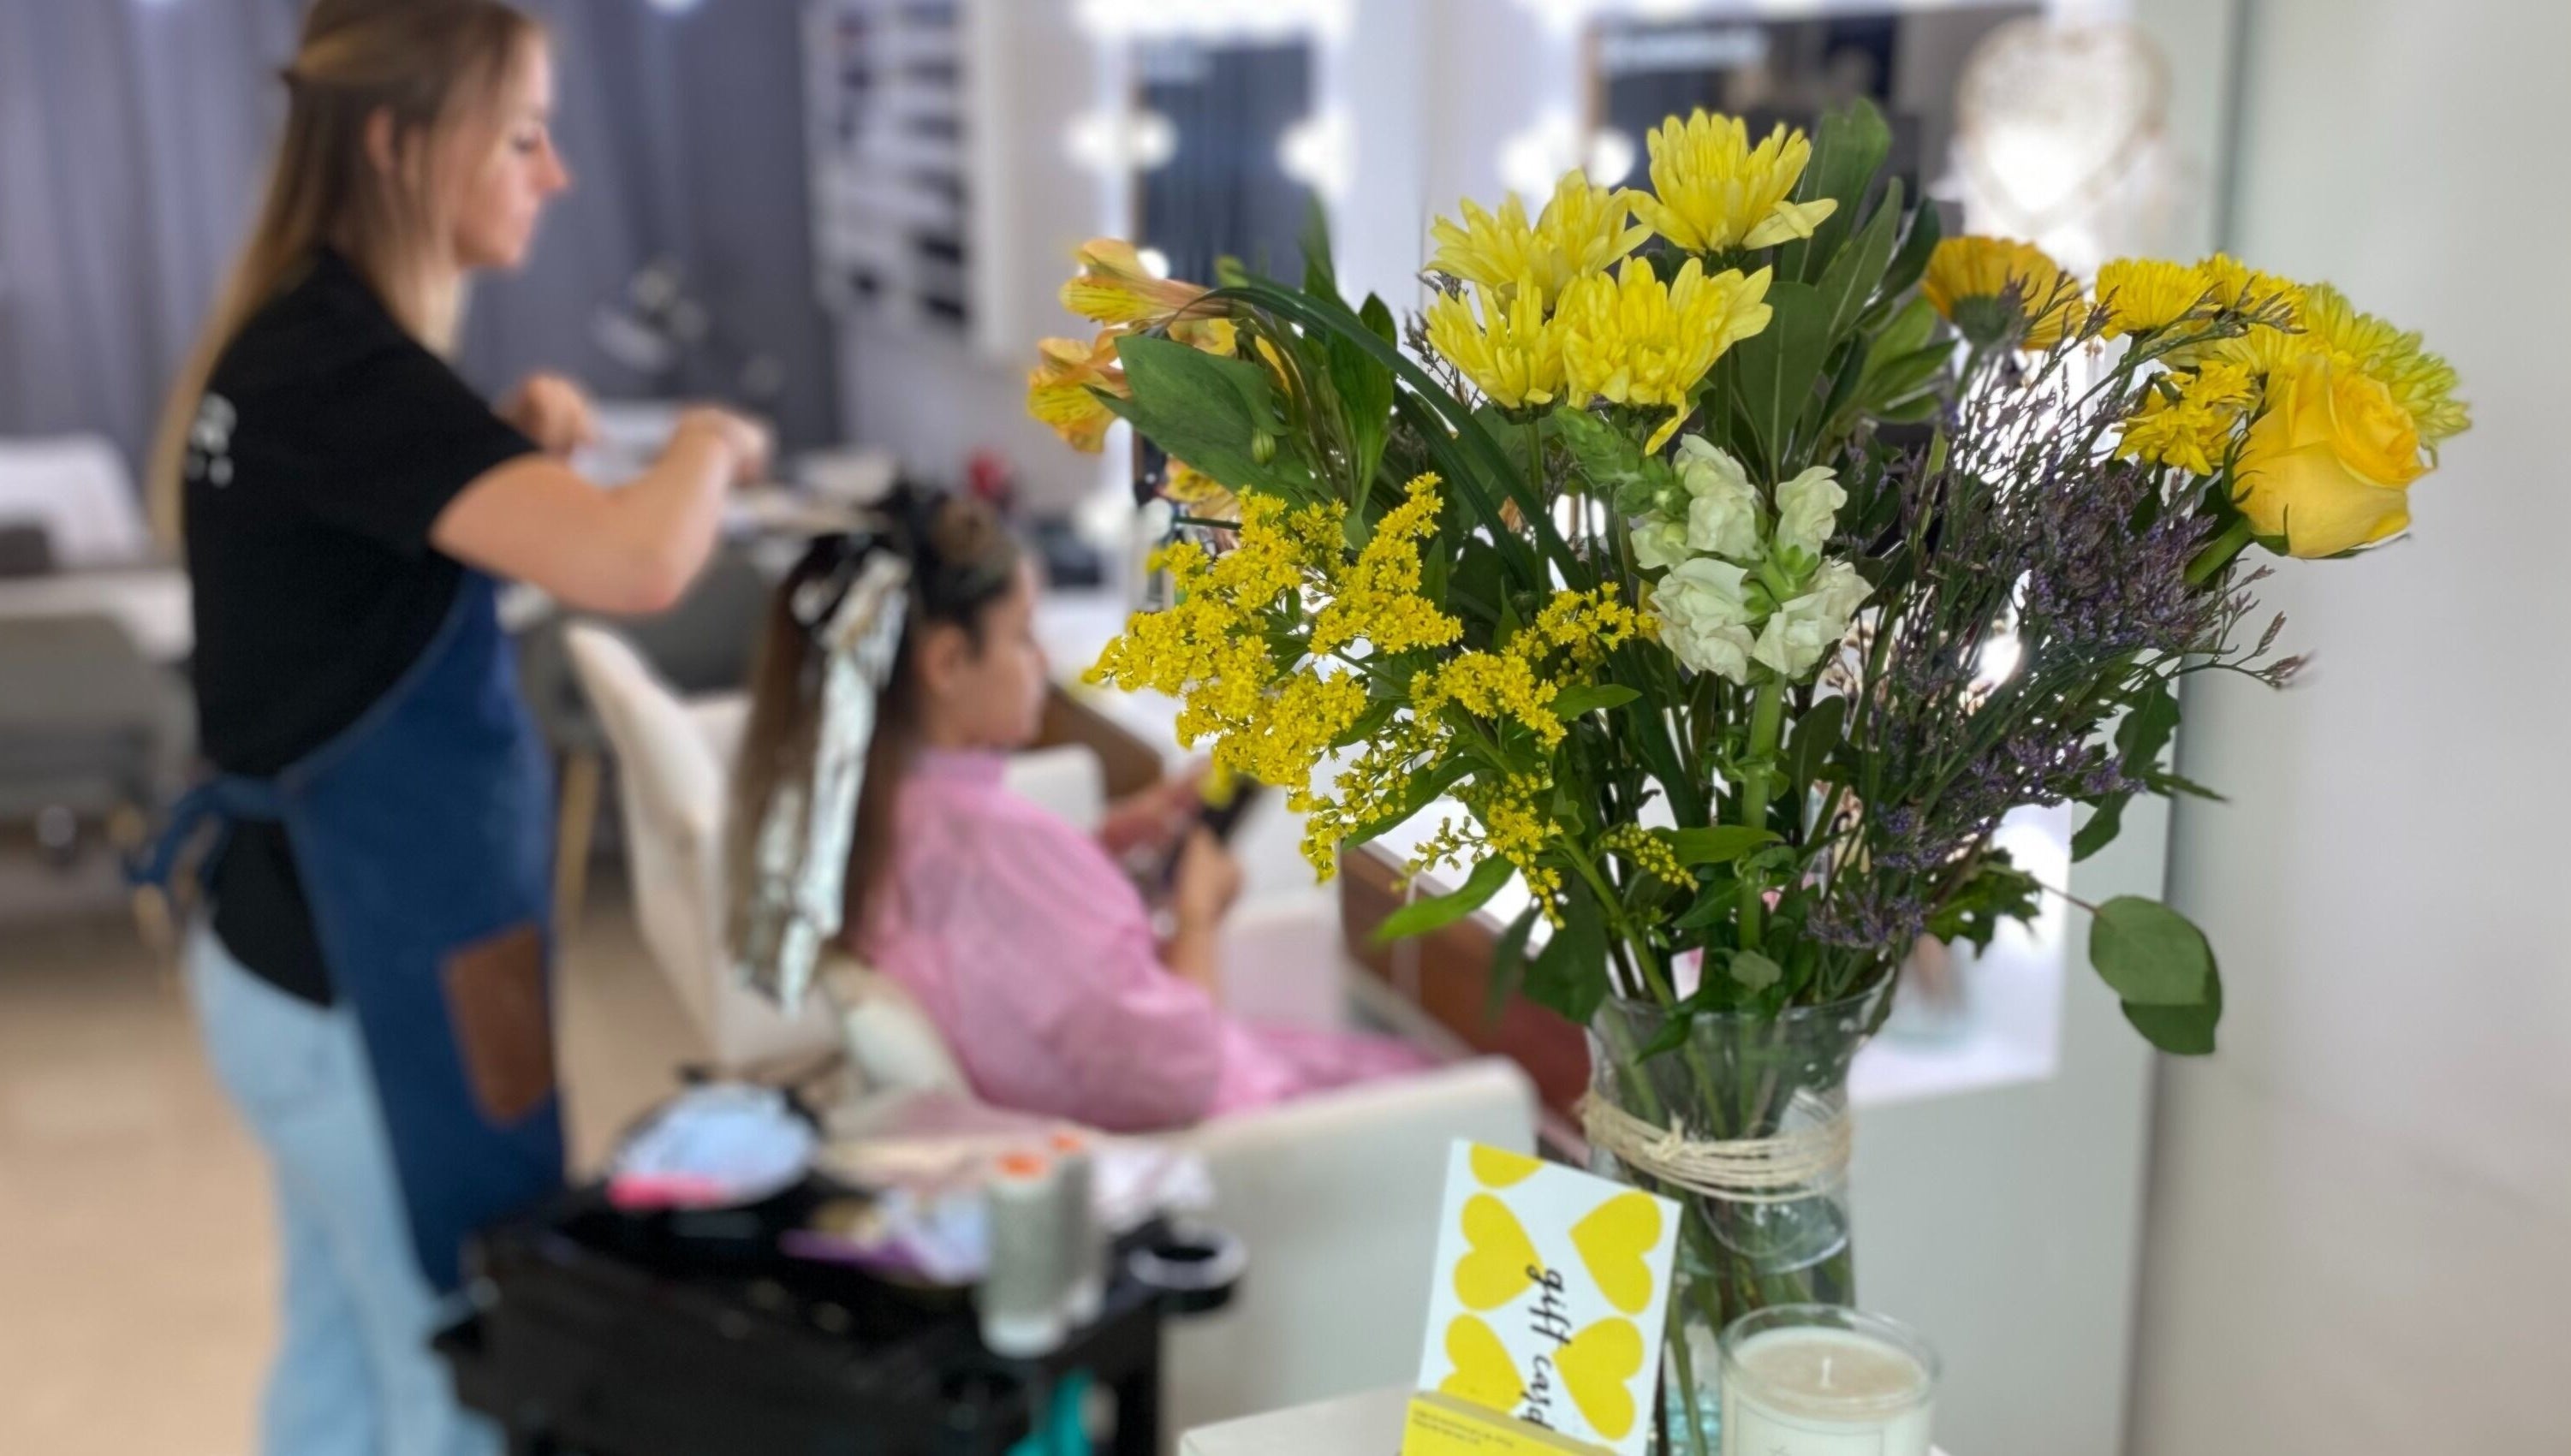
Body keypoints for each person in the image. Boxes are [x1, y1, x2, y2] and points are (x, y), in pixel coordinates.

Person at [138, 4, 767, 1453]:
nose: (554, 174)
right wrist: (704, 444)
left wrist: (504, 445)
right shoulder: (344, 371)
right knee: (466, 1375)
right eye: (522, 135)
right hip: (360, 986)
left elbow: (357, 576)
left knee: (341, 1360)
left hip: (301, 959)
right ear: (400, 143)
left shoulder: (310, 347)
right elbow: (640, 564)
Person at [735, 491, 1428, 1135]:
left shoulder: (863, 813)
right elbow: (1186, 1078)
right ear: (946, 662)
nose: (1042, 660)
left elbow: (1000, 943)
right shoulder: (996, 849)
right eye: (1022, 636)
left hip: (1103, 1113)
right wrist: (1195, 914)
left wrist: (1098, 850)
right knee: (1444, 1087)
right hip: (1232, 1150)